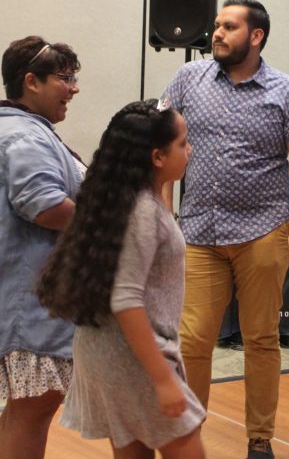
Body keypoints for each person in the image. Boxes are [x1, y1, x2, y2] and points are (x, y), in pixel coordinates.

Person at [161, 0, 289, 459]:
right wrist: (165, 216)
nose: (216, 33)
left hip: (264, 230)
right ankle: (188, 435)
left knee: (261, 338)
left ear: (256, 36)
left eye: (228, 27)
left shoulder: (286, 91)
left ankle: (259, 439)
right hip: (199, 232)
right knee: (192, 340)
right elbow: (161, 143)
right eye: (216, 26)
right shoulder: (189, 78)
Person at [37, 100, 205, 458]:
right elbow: (126, 299)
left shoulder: (128, 201)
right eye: (182, 143)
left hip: (108, 350)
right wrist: (162, 378)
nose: (189, 150)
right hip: (133, 357)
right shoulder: (143, 210)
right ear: (157, 157)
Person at [0, 36, 83, 459]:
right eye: (65, 78)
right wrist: (101, 223)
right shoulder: (24, 136)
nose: (74, 88)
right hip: (30, 302)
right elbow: (45, 205)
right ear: (31, 82)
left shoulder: (25, 129)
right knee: (33, 408)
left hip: (30, 298)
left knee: (26, 410)